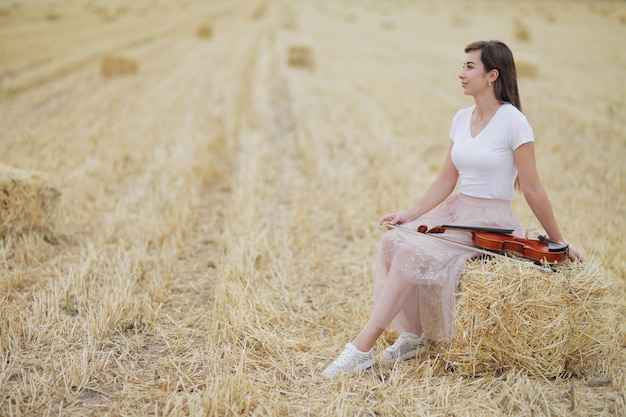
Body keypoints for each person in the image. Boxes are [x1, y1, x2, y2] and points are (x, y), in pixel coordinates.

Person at [321, 40, 584, 378]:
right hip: (456, 212)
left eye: (469, 67)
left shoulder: (514, 122)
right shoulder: (461, 119)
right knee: (394, 242)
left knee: (411, 252)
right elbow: (446, 180)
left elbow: (532, 187)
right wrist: (410, 214)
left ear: (492, 75)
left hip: (490, 222)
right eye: (463, 66)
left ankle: (361, 347)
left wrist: (558, 242)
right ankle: (413, 336)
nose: (461, 74)